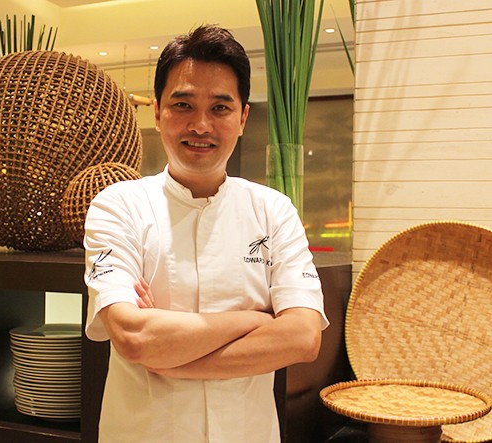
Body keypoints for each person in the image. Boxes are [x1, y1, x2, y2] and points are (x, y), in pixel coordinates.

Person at [83, 25, 329, 443]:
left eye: (220, 108)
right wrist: (255, 320)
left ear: (242, 118)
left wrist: (173, 358)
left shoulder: (274, 211)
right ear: (157, 112)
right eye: (183, 105)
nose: (200, 125)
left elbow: (303, 338)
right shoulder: (117, 206)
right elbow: (134, 336)